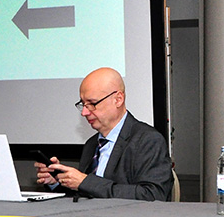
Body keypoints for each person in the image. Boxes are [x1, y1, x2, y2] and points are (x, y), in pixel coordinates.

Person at [34, 67, 173, 201]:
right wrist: (56, 182)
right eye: (83, 104)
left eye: (92, 103)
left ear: (118, 99)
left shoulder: (147, 140)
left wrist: (85, 181)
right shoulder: (91, 144)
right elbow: (83, 197)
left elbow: (153, 195)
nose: (84, 113)